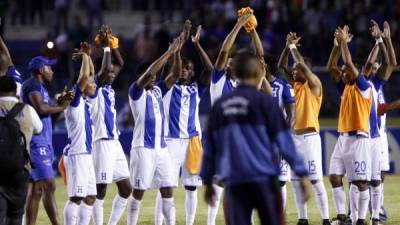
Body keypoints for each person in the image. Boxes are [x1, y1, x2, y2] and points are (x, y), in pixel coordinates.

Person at [200, 48, 311, 225]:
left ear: (235, 72)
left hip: (235, 182)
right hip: (265, 180)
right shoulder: (266, 102)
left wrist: (207, 181)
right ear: (256, 72)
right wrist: (302, 173)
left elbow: (211, 146)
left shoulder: (221, 105)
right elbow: (284, 141)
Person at [155, 22, 213, 225]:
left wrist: (196, 44)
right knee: (166, 186)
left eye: (188, 69)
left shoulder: (197, 89)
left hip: (192, 141)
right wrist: (176, 50)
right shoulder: (167, 87)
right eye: (182, 68)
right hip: (170, 141)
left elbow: (210, 69)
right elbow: (170, 71)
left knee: (191, 186)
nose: (184, 71)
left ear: (192, 73)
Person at [126, 36, 181, 225]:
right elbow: (151, 71)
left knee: (168, 189)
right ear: (142, 77)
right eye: (150, 76)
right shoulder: (135, 91)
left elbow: (174, 76)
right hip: (143, 148)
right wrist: (169, 52)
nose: (154, 77)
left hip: (161, 149)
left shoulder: (157, 90)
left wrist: (177, 52)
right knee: (139, 191)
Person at [278, 32, 330, 225]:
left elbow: (298, 66)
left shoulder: (314, 85)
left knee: (315, 180)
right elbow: (280, 67)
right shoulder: (297, 86)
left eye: (296, 69)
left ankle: (325, 219)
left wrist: (293, 48)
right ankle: (303, 219)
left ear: (305, 70)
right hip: (294, 138)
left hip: (309, 138)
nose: (292, 72)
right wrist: (286, 46)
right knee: (296, 181)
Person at [206, 12, 253, 225]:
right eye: (230, 62)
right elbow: (224, 51)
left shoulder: (241, 87)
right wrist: (238, 25)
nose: (232, 64)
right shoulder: (218, 82)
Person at [326, 25, 373, 225]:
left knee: (360, 182)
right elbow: (331, 67)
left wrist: (344, 42)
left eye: (346, 71)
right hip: (343, 137)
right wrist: (337, 45)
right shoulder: (345, 87)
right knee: (334, 176)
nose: (342, 73)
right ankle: (343, 216)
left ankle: (360, 220)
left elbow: (346, 62)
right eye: (343, 72)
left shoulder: (364, 86)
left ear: (356, 72)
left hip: (359, 138)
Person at [22, 56, 73, 225]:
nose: (52, 70)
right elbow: (41, 108)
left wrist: (60, 102)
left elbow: (50, 114)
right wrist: (62, 106)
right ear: (40, 70)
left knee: (36, 188)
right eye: (48, 68)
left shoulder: (41, 88)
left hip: (43, 141)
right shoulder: (32, 85)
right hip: (37, 141)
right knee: (48, 185)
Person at [90, 25, 132, 225]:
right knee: (100, 190)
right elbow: (107, 68)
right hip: (102, 141)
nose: (114, 72)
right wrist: (106, 47)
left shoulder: (107, 86)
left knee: (126, 189)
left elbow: (120, 64)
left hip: (113, 141)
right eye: (110, 71)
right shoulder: (95, 86)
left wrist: (114, 45)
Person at [359, 20, 395, 225]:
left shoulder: (378, 82)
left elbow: (391, 63)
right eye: (374, 65)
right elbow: (370, 65)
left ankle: (377, 209)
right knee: (364, 175)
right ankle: (360, 212)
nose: (378, 67)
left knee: (380, 175)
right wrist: (378, 41)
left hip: (380, 135)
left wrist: (386, 40)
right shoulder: (366, 82)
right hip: (367, 135)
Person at [62, 42, 98, 225]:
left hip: (86, 154)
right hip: (77, 153)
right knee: (76, 197)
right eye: (90, 83)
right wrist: (85, 56)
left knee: (91, 196)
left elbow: (89, 75)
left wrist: (88, 55)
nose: (93, 83)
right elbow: (84, 77)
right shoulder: (74, 101)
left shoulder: (83, 100)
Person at [0, 76, 42, 225]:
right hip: (20, 168)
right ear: (14, 90)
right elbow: (39, 129)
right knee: (16, 215)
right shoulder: (27, 109)